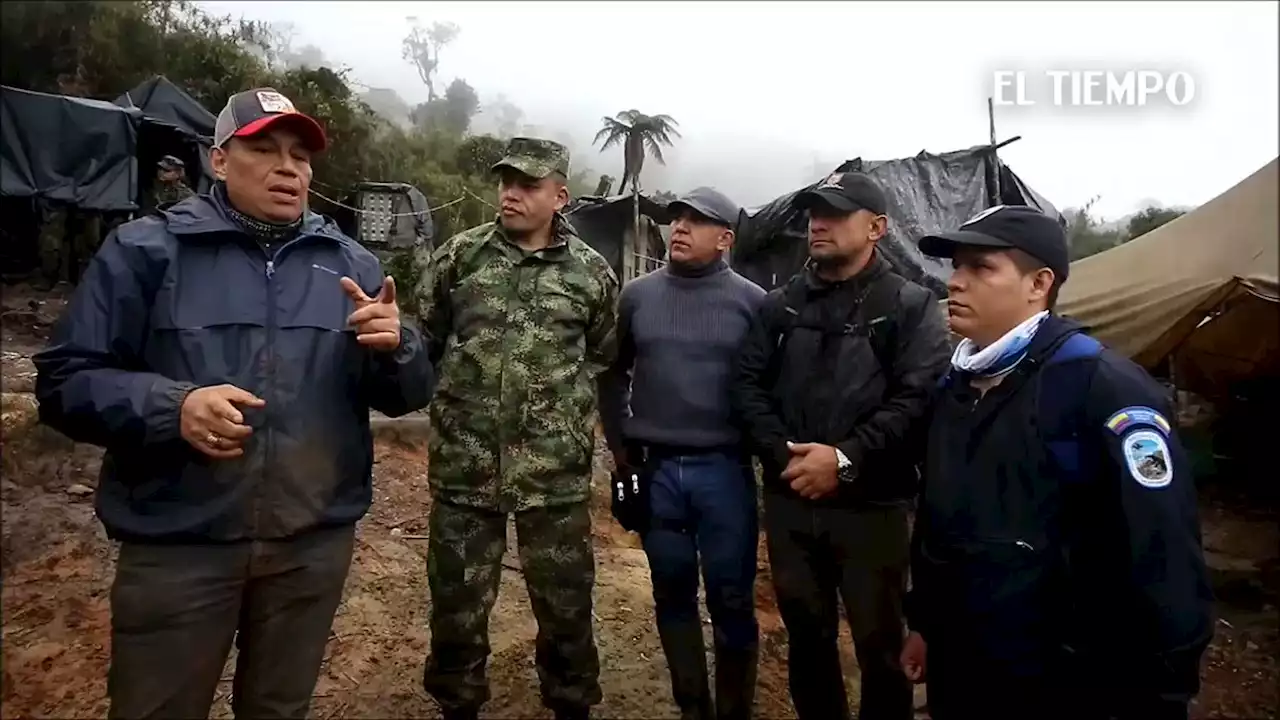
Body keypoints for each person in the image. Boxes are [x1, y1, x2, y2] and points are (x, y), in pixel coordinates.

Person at [33, 87, 435, 720]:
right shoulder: (146, 252)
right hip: (181, 544)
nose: (289, 168)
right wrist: (174, 405)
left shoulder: (348, 262)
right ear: (218, 161)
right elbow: (63, 381)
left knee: (279, 709)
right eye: (265, 150)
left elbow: (406, 395)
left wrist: (399, 346)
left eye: (300, 156)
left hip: (310, 546)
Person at [900, 204, 1215, 719]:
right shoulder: (954, 388)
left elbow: (1162, 550)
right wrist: (927, 625)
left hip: (1066, 681)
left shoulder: (1101, 388)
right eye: (955, 267)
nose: (955, 282)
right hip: (965, 667)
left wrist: (1161, 689)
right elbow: (940, 522)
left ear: (1039, 283)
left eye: (981, 268)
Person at [730, 172, 952, 720]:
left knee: (880, 647)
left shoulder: (911, 306)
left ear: (876, 228)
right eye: (813, 214)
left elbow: (915, 400)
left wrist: (845, 459)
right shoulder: (779, 305)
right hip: (792, 502)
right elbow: (746, 386)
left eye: (834, 214)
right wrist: (789, 459)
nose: (817, 224)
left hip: (872, 508)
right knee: (807, 638)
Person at [416, 137, 619, 720]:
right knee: (456, 601)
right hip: (465, 464)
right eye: (506, 181)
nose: (511, 193)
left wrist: (555, 414)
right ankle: (457, 704)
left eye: (528, 185)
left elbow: (602, 354)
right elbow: (424, 340)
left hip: (553, 472)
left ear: (560, 196)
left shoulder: (590, 273)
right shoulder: (462, 257)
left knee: (566, 604)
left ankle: (571, 702)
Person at [599, 187, 765, 720]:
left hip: (725, 472)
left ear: (726, 239)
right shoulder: (638, 296)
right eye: (677, 219)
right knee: (671, 593)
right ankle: (692, 705)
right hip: (657, 471)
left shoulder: (752, 303)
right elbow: (612, 373)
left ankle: (734, 709)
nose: (681, 229)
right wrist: (623, 453)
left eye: (697, 221)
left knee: (732, 599)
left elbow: (768, 385)